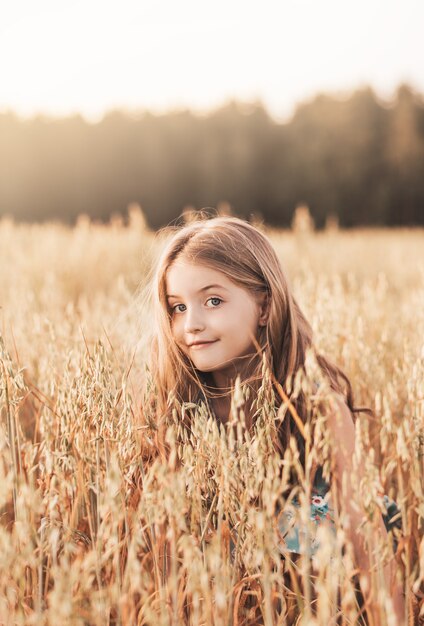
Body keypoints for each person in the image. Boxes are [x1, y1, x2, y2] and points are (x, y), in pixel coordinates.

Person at [141, 213, 405, 624]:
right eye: (177, 307)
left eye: (213, 301)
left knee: (307, 533)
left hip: (310, 588)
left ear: (264, 306)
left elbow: (362, 526)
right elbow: (164, 537)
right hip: (223, 577)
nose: (191, 323)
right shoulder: (176, 405)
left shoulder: (316, 407)